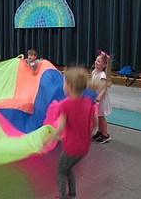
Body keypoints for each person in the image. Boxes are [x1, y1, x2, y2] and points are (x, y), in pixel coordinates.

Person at [46, 67, 97, 199]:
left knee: (61, 171)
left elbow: (61, 127)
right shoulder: (87, 102)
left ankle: (63, 197)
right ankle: (73, 195)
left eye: (64, 82)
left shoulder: (66, 104)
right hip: (84, 148)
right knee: (68, 168)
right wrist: (86, 134)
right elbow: (95, 122)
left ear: (70, 86)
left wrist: (52, 137)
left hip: (71, 148)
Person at [91, 50, 112, 143]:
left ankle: (105, 135)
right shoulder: (94, 72)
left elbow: (103, 89)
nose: (96, 62)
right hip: (95, 98)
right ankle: (99, 131)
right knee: (98, 115)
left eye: (99, 61)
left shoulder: (102, 75)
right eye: (96, 60)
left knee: (101, 117)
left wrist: (98, 97)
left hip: (101, 99)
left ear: (104, 65)